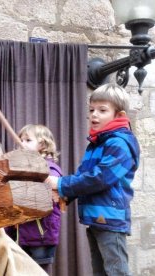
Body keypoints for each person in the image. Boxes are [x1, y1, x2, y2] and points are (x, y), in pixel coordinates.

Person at [46, 83, 140, 276]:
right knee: (100, 272)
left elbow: (99, 178)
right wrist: (65, 196)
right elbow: (83, 176)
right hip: (97, 218)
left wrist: (61, 184)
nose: (94, 115)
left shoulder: (119, 143)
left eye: (102, 110)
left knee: (116, 272)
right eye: (91, 110)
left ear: (119, 115)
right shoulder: (96, 144)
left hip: (111, 219)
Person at [5, 124, 62, 275]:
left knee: (39, 273)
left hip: (40, 235)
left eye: (28, 140)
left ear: (42, 145)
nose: (21, 143)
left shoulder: (50, 168)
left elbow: (51, 196)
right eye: (21, 139)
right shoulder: (20, 168)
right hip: (21, 234)